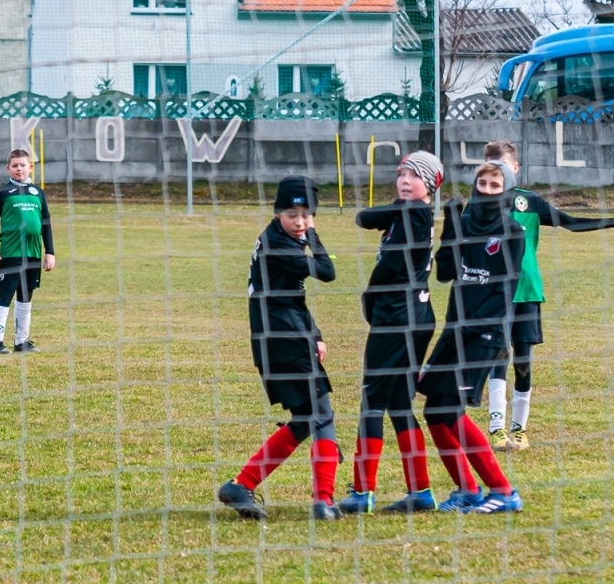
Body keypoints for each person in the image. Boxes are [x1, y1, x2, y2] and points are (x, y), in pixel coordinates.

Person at [480, 139, 614, 450]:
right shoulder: (478, 206)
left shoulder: (530, 202)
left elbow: (570, 223)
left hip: (526, 291)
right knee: (496, 358)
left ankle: (519, 429)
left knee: (523, 360)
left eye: (505, 168)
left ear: (516, 168)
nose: (499, 176)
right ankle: (496, 428)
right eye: (493, 169)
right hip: (493, 294)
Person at [218, 176, 342, 522]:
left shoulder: (276, 238)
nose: (299, 221)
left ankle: (240, 485)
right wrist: (313, 234)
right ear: (277, 213)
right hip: (285, 341)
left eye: (306, 214)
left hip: (284, 338)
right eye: (292, 214)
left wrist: (315, 333)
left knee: (305, 420)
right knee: (323, 415)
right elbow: (327, 271)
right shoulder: (279, 246)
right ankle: (323, 501)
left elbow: (292, 297)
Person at [419, 159, 525, 514]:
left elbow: (504, 291)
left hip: (484, 334)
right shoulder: (464, 222)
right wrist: (451, 226)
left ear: (507, 190)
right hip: (455, 330)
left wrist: (481, 328)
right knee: (435, 410)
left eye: (496, 185)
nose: (488, 190)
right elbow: (445, 273)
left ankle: (504, 491)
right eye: (483, 183)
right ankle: (466, 489)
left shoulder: (512, 231)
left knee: (449, 409)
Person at [339, 151, 441, 515]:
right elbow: (363, 217)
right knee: (399, 402)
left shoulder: (414, 212)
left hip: (398, 318)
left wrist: (369, 298)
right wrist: (398, 205)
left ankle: (362, 492)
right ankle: (421, 492)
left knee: (371, 399)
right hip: (417, 314)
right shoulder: (411, 211)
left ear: (429, 185)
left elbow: (392, 267)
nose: (405, 180)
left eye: (414, 176)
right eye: (402, 173)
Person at [0, 149, 56, 354]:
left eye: (22, 165)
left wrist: (49, 252)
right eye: (14, 166)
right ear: (8, 168)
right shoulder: (2, 192)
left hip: (33, 253)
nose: (19, 169)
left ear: (30, 167)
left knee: (26, 295)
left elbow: (46, 224)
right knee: (6, 294)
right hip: (11, 252)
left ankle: (21, 341)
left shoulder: (38, 192)